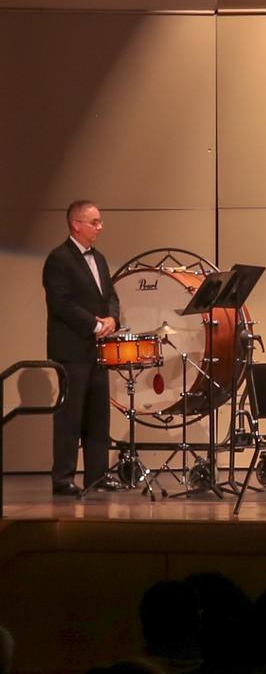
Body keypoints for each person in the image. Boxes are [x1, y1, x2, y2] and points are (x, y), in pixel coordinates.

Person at [42, 199, 120, 497]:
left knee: (98, 416)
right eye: (94, 222)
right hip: (71, 350)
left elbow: (110, 295)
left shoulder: (99, 258)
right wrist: (95, 325)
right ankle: (63, 479)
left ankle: (96, 477)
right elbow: (61, 303)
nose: (100, 226)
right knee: (70, 416)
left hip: (97, 350)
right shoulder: (59, 259)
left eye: (100, 221)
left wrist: (112, 319)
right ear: (76, 224)